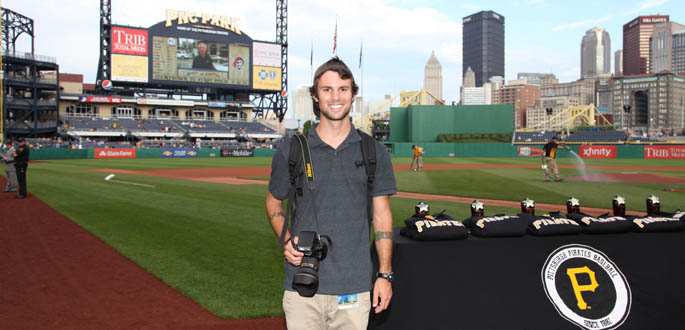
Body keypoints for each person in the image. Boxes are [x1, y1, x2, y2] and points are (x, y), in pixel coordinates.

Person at [265, 57, 396, 330]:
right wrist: (286, 240)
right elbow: (274, 201)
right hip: (302, 283)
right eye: (327, 89)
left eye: (343, 89)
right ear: (315, 95)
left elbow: (382, 216)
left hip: (354, 286)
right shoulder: (292, 149)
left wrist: (384, 274)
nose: (335, 97)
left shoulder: (374, 151)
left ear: (353, 94)